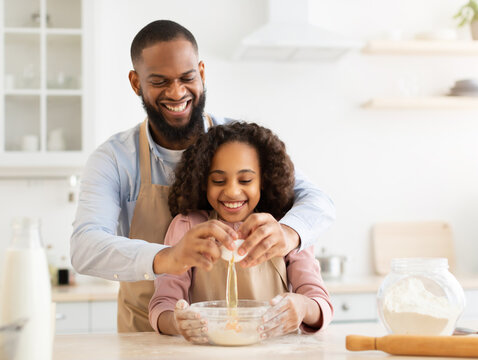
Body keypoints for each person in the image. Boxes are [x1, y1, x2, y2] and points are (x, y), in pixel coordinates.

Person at [70, 19, 335, 332]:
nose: (176, 92)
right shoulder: (114, 159)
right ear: (135, 82)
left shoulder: (241, 142)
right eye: (159, 81)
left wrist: (289, 235)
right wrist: (169, 257)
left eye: (187, 77)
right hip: (147, 335)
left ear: (202, 73)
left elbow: (317, 200)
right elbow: (85, 247)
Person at [149, 122, 333, 342]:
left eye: (245, 180)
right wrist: (177, 322)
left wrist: (302, 307)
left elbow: (319, 302)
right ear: (203, 182)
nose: (232, 191)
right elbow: (163, 304)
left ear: (263, 181)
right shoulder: (187, 226)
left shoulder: (284, 229)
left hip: (277, 353)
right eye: (218, 180)